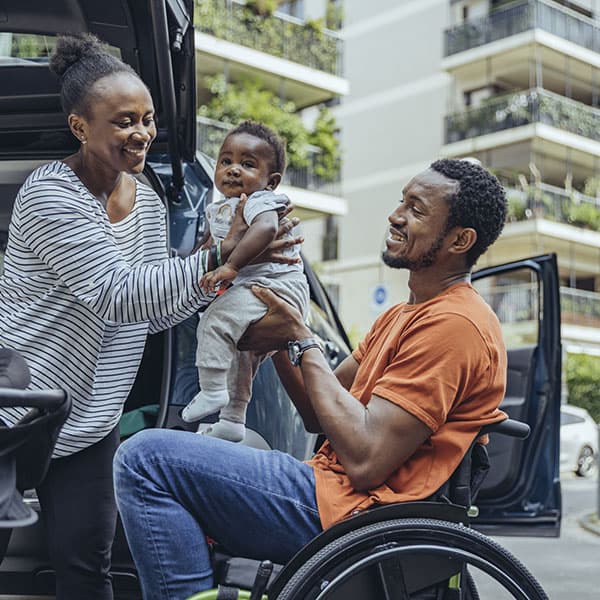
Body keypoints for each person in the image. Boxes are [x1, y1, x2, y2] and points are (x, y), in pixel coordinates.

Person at [114, 158, 509, 599]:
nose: (396, 216)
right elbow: (317, 414)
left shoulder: (456, 325)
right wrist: (282, 332)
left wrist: (300, 337)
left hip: (358, 515)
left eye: (417, 210)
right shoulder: (404, 314)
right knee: (220, 444)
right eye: (401, 202)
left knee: (145, 460)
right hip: (334, 494)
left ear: (460, 239)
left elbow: (365, 460)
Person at [0, 34, 300, 600]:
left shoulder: (148, 202)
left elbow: (159, 304)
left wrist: (234, 273)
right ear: (80, 127)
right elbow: (118, 294)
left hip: (91, 416)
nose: (140, 132)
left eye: (147, 118)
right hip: (17, 408)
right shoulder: (50, 194)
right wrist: (219, 256)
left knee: (87, 568)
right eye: (122, 122)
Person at [181, 121, 309, 442]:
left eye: (247, 164)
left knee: (215, 319)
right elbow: (206, 250)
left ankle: (211, 391)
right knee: (240, 356)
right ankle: (232, 419)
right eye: (226, 161)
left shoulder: (260, 201)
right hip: (257, 289)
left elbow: (265, 230)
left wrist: (231, 266)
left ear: (271, 181)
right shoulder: (220, 208)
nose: (233, 170)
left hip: (275, 289)